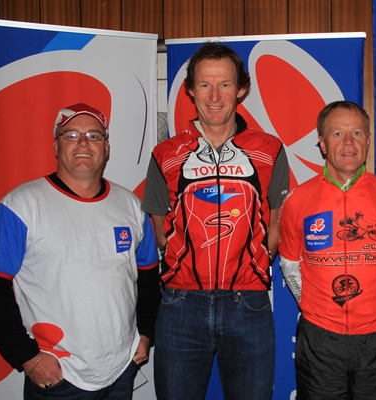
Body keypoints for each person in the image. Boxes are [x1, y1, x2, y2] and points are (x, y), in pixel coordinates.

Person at [0, 103, 160, 399]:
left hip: (121, 369)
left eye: (94, 135)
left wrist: (145, 333)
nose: (83, 143)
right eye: (71, 135)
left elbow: (148, 279)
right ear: (56, 145)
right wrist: (27, 357)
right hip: (59, 376)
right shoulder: (21, 205)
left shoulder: (131, 205)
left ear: (106, 147)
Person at [141, 41, 289, 400]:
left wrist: (252, 265)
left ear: (241, 89)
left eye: (224, 84)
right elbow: (160, 228)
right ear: (190, 90)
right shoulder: (166, 153)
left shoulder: (269, 149)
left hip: (248, 304)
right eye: (205, 84)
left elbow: (277, 223)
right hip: (180, 305)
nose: (215, 96)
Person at [278, 101, 376, 399]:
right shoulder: (297, 200)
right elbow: (289, 263)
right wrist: (313, 306)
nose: (349, 142)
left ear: (368, 141)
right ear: (322, 143)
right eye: (337, 134)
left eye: (357, 133)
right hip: (320, 339)